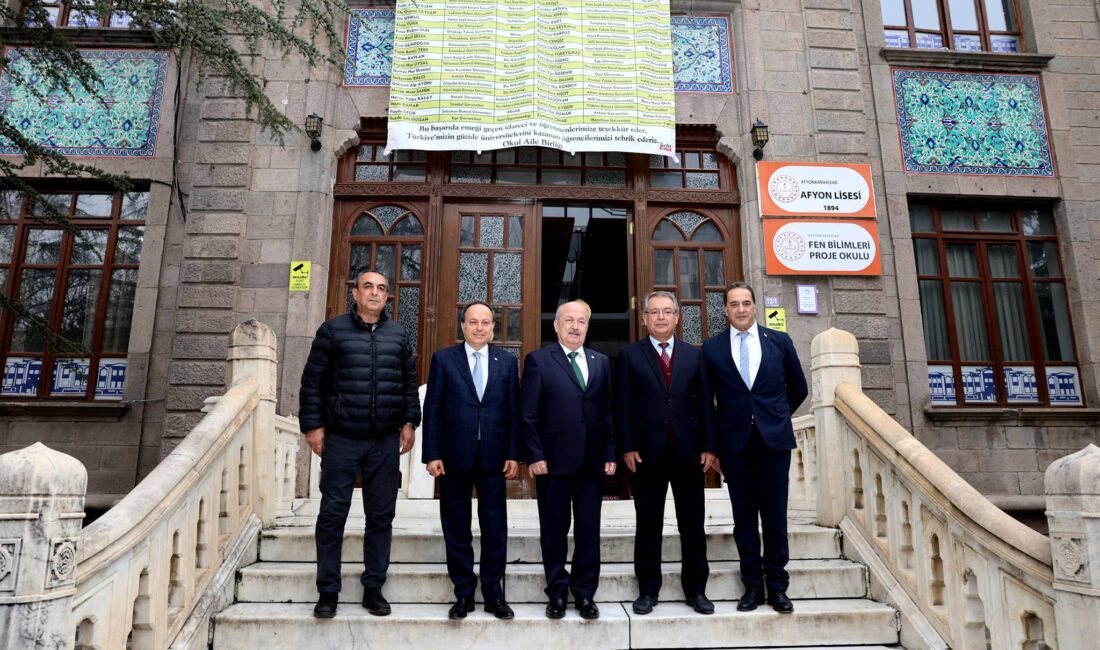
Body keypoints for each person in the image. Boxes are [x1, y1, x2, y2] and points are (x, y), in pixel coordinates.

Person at [298, 270, 421, 619]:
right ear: (355, 293)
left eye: (382, 288)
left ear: (387, 297)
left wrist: (410, 421)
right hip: (341, 438)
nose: (375, 293)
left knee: (381, 517)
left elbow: (408, 382)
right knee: (332, 515)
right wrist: (313, 425)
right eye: (368, 286)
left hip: (384, 441)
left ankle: (373, 587)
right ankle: (328, 591)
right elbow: (313, 382)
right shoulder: (332, 330)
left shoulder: (398, 335)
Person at [702, 281, 808, 614]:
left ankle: (777, 586)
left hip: (773, 442)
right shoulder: (712, 348)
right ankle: (751, 585)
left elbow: (798, 388)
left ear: (754, 305)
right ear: (725, 310)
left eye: (746, 302)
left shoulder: (779, 341)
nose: (741, 309)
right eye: (734, 304)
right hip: (735, 446)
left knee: (775, 517)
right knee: (744, 518)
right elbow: (706, 403)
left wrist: (773, 417)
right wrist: (714, 446)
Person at [615, 291, 718, 616]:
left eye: (667, 312)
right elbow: (622, 407)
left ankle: (696, 590)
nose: (661, 317)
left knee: (692, 524)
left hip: (689, 453)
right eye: (654, 312)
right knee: (648, 523)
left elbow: (706, 405)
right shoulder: (630, 356)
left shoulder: (695, 355)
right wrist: (627, 446)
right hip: (647, 454)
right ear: (644, 318)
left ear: (677, 317)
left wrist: (710, 446)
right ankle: (648, 590)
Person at [422, 301, 520, 620]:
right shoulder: (444, 360)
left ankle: (493, 592)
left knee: (495, 529)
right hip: (453, 458)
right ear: (462, 326)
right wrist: (432, 454)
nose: (479, 327)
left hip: (494, 457)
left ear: (493, 328)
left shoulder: (506, 362)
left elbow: (513, 413)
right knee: (456, 527)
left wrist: (513, 452)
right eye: (473, 322)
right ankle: (464, 593)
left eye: (486, 322)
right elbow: (433, 410)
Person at [521, 300, 616, 620]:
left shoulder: (601, 362)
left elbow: (608, 413)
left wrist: (610, 453)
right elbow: (528, 415)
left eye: (582, 322)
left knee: (589, 530)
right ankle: (557, 593)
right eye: (569, 320)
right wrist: (534, 455)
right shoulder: (538, 361)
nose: (576, 326)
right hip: (553, 463)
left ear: (588, 327)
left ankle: (585, 594)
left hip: (591, 462)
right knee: (554, 529)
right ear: (556, 325)